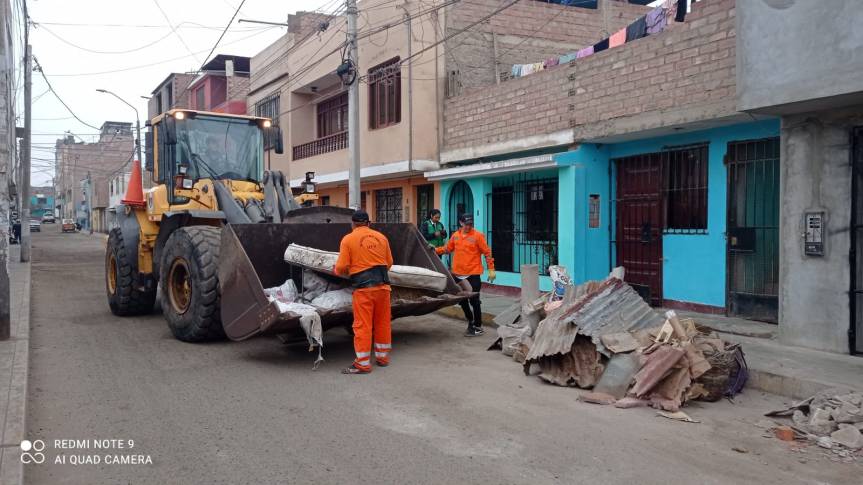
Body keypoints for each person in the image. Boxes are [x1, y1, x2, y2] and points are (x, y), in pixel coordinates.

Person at [333, 209, 394, 374]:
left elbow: (340, 267)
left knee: (363, 326)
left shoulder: (348, 239)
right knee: (382, 323)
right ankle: (382, 357)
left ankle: (363, 364)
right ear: (369, 223)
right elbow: (389, 263)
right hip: (383, 287)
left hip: (364, 290)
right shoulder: (381, 238)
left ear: (353, 224)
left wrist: (341, 271)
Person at [436, 213, 496, 337]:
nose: (468, 226)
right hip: (458, 274)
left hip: (473, 274)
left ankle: (478, 326)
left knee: (474, 300)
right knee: (462, 301)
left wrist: (491, 269)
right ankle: (471, 322)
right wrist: (435, 250)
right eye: (466, 224)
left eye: (470, 224)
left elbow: (487, 252)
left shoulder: (478, 236)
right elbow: (448, 249)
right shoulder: (456, 236)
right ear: (461, 223)